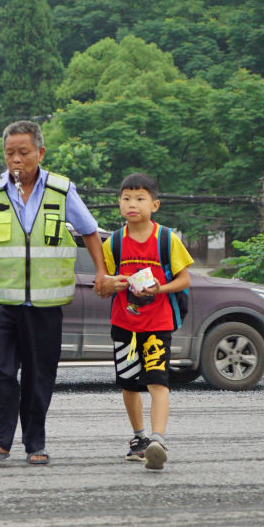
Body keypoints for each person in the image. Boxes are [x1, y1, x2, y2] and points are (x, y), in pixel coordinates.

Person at [0, 120, 108, 467]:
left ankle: (35, 441)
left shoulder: (62, 191)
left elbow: (90, 231)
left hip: (45, 302)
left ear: (40, 152)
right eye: (10, 153)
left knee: (40, 373)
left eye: (23, 152)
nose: (16, 159)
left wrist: (101, 271)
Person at [95, 172, 193, 470]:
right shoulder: (113, 243)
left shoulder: (166, 239)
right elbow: (101, 286)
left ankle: (158, 440)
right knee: (128, 383)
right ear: (119, 203)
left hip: (158, 323)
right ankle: (139, 438)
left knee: (157, 381)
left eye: (140, 199)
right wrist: (113, 283)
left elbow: (185, 279)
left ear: (155, 204)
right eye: (126, 198)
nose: (132, 204)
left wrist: (159, 289)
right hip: (124, 323)